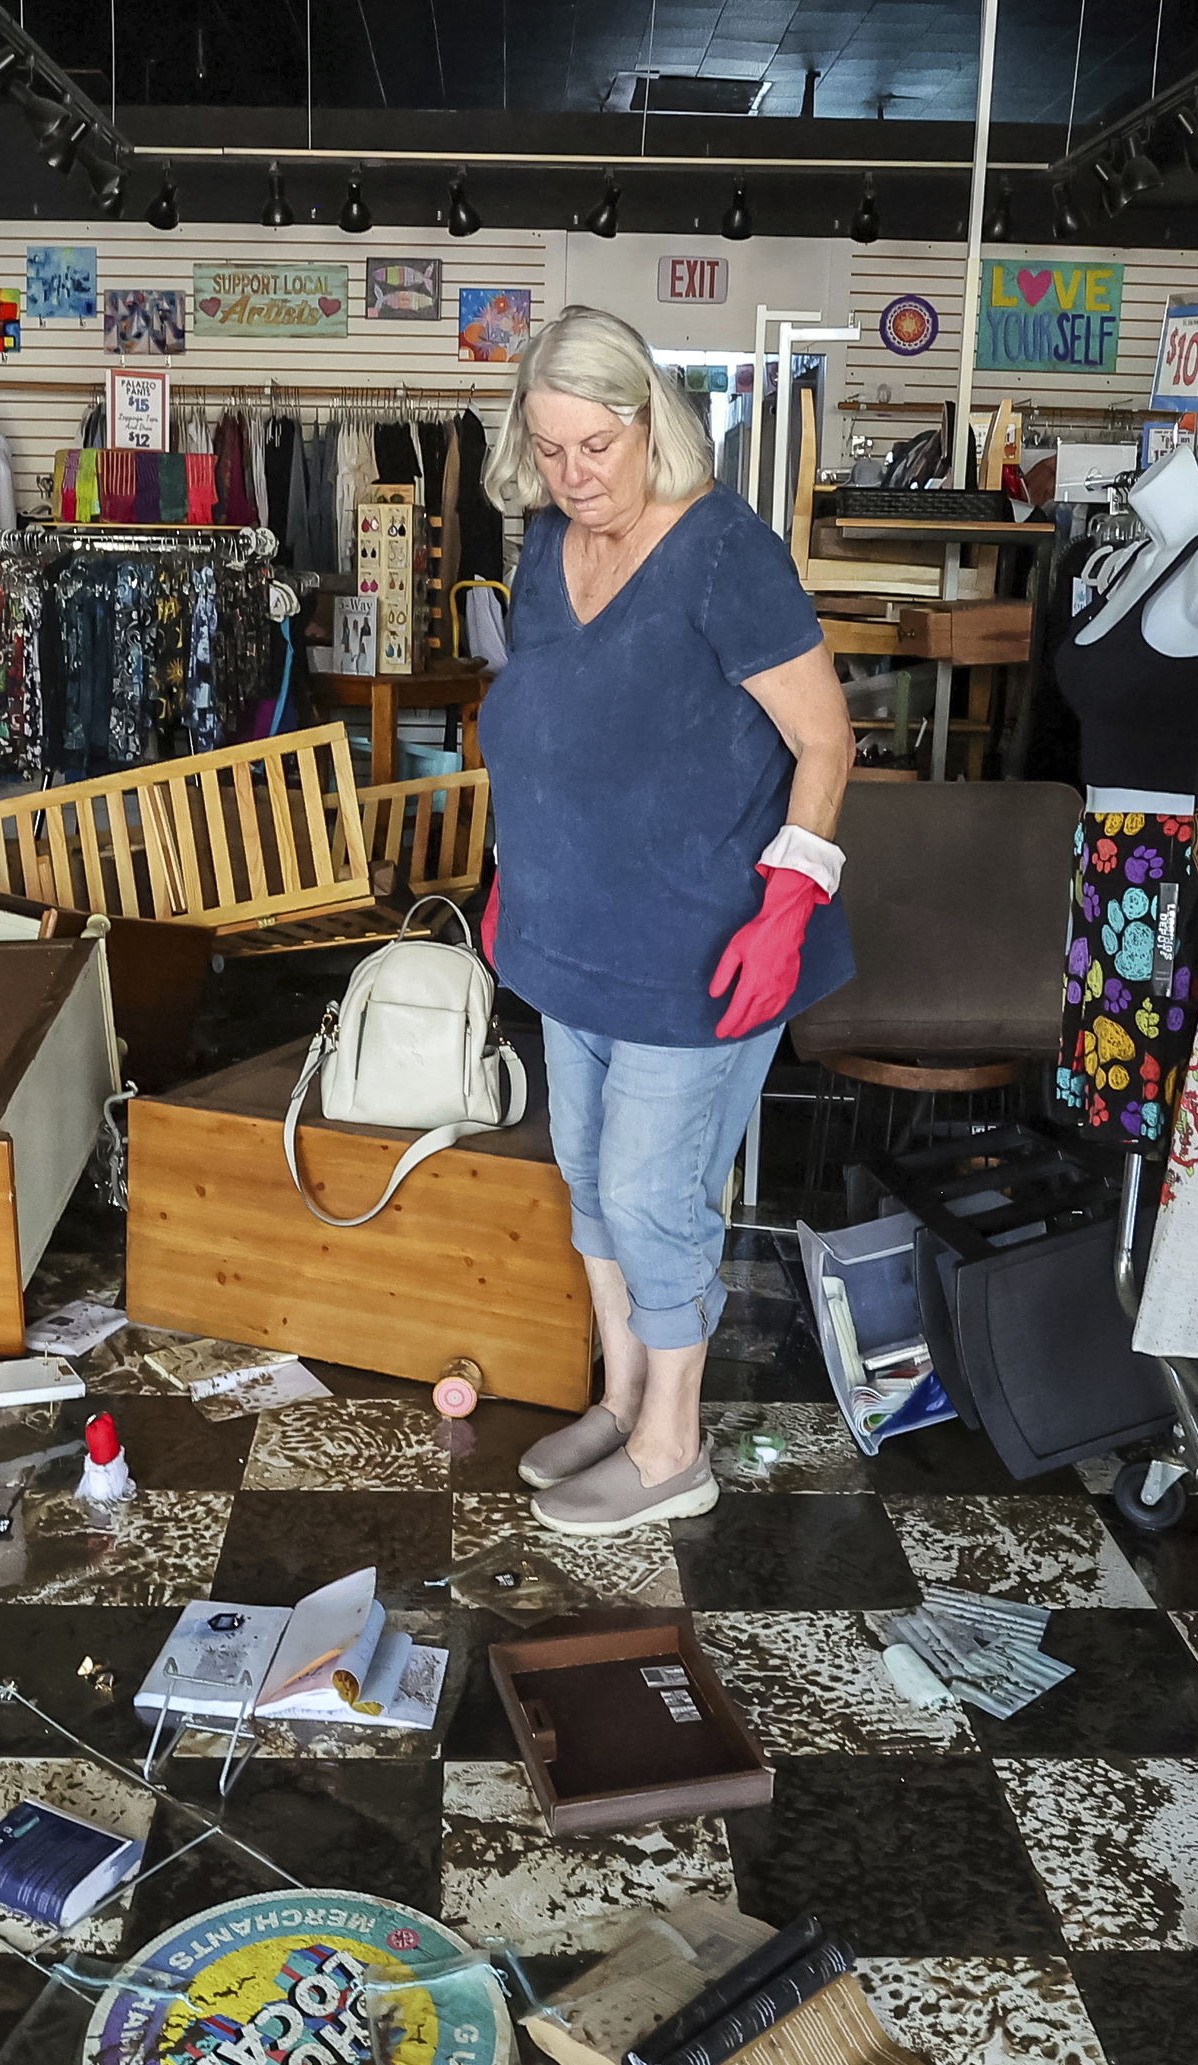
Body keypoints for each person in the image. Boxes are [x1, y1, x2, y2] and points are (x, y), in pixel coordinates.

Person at [474, 306, 856, 1534]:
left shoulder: (721, 552)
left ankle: (673, 1446)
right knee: (586, 1181)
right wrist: (509, 877)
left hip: (702, 944)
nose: (574, 477)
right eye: (549, 450)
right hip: (569, 929)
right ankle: (625, 1394)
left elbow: (823, 739)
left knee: (652, 1196)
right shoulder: (544, 541)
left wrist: (788, 904)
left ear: (649, 421)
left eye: (595, 446)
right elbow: (551, 716)